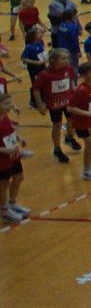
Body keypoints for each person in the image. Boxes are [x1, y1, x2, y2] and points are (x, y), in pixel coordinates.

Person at [33, 49, 81, 164]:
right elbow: (36, 89)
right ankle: (57, 148)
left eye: (67, 58)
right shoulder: (44, 74)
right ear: (54, 60)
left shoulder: (68, 69)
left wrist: (74, 90)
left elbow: (70, 81)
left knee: (72, 121)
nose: (67, 60)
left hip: (68, 101)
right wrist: (40, 104)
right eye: (63, 58)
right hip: (54, 104)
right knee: (57, 125)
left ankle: (69, 137)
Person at [0, 94, 30, 223]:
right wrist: (5, 150)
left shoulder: (5, 117)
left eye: (10, 104)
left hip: (13, 154)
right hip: (2, 158)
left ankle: (12, 203)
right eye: (6, 104)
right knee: (4, 184)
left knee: (19, 177)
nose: (9, 107)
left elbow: (10, 129)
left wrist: (19, 138)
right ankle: (4, 210)